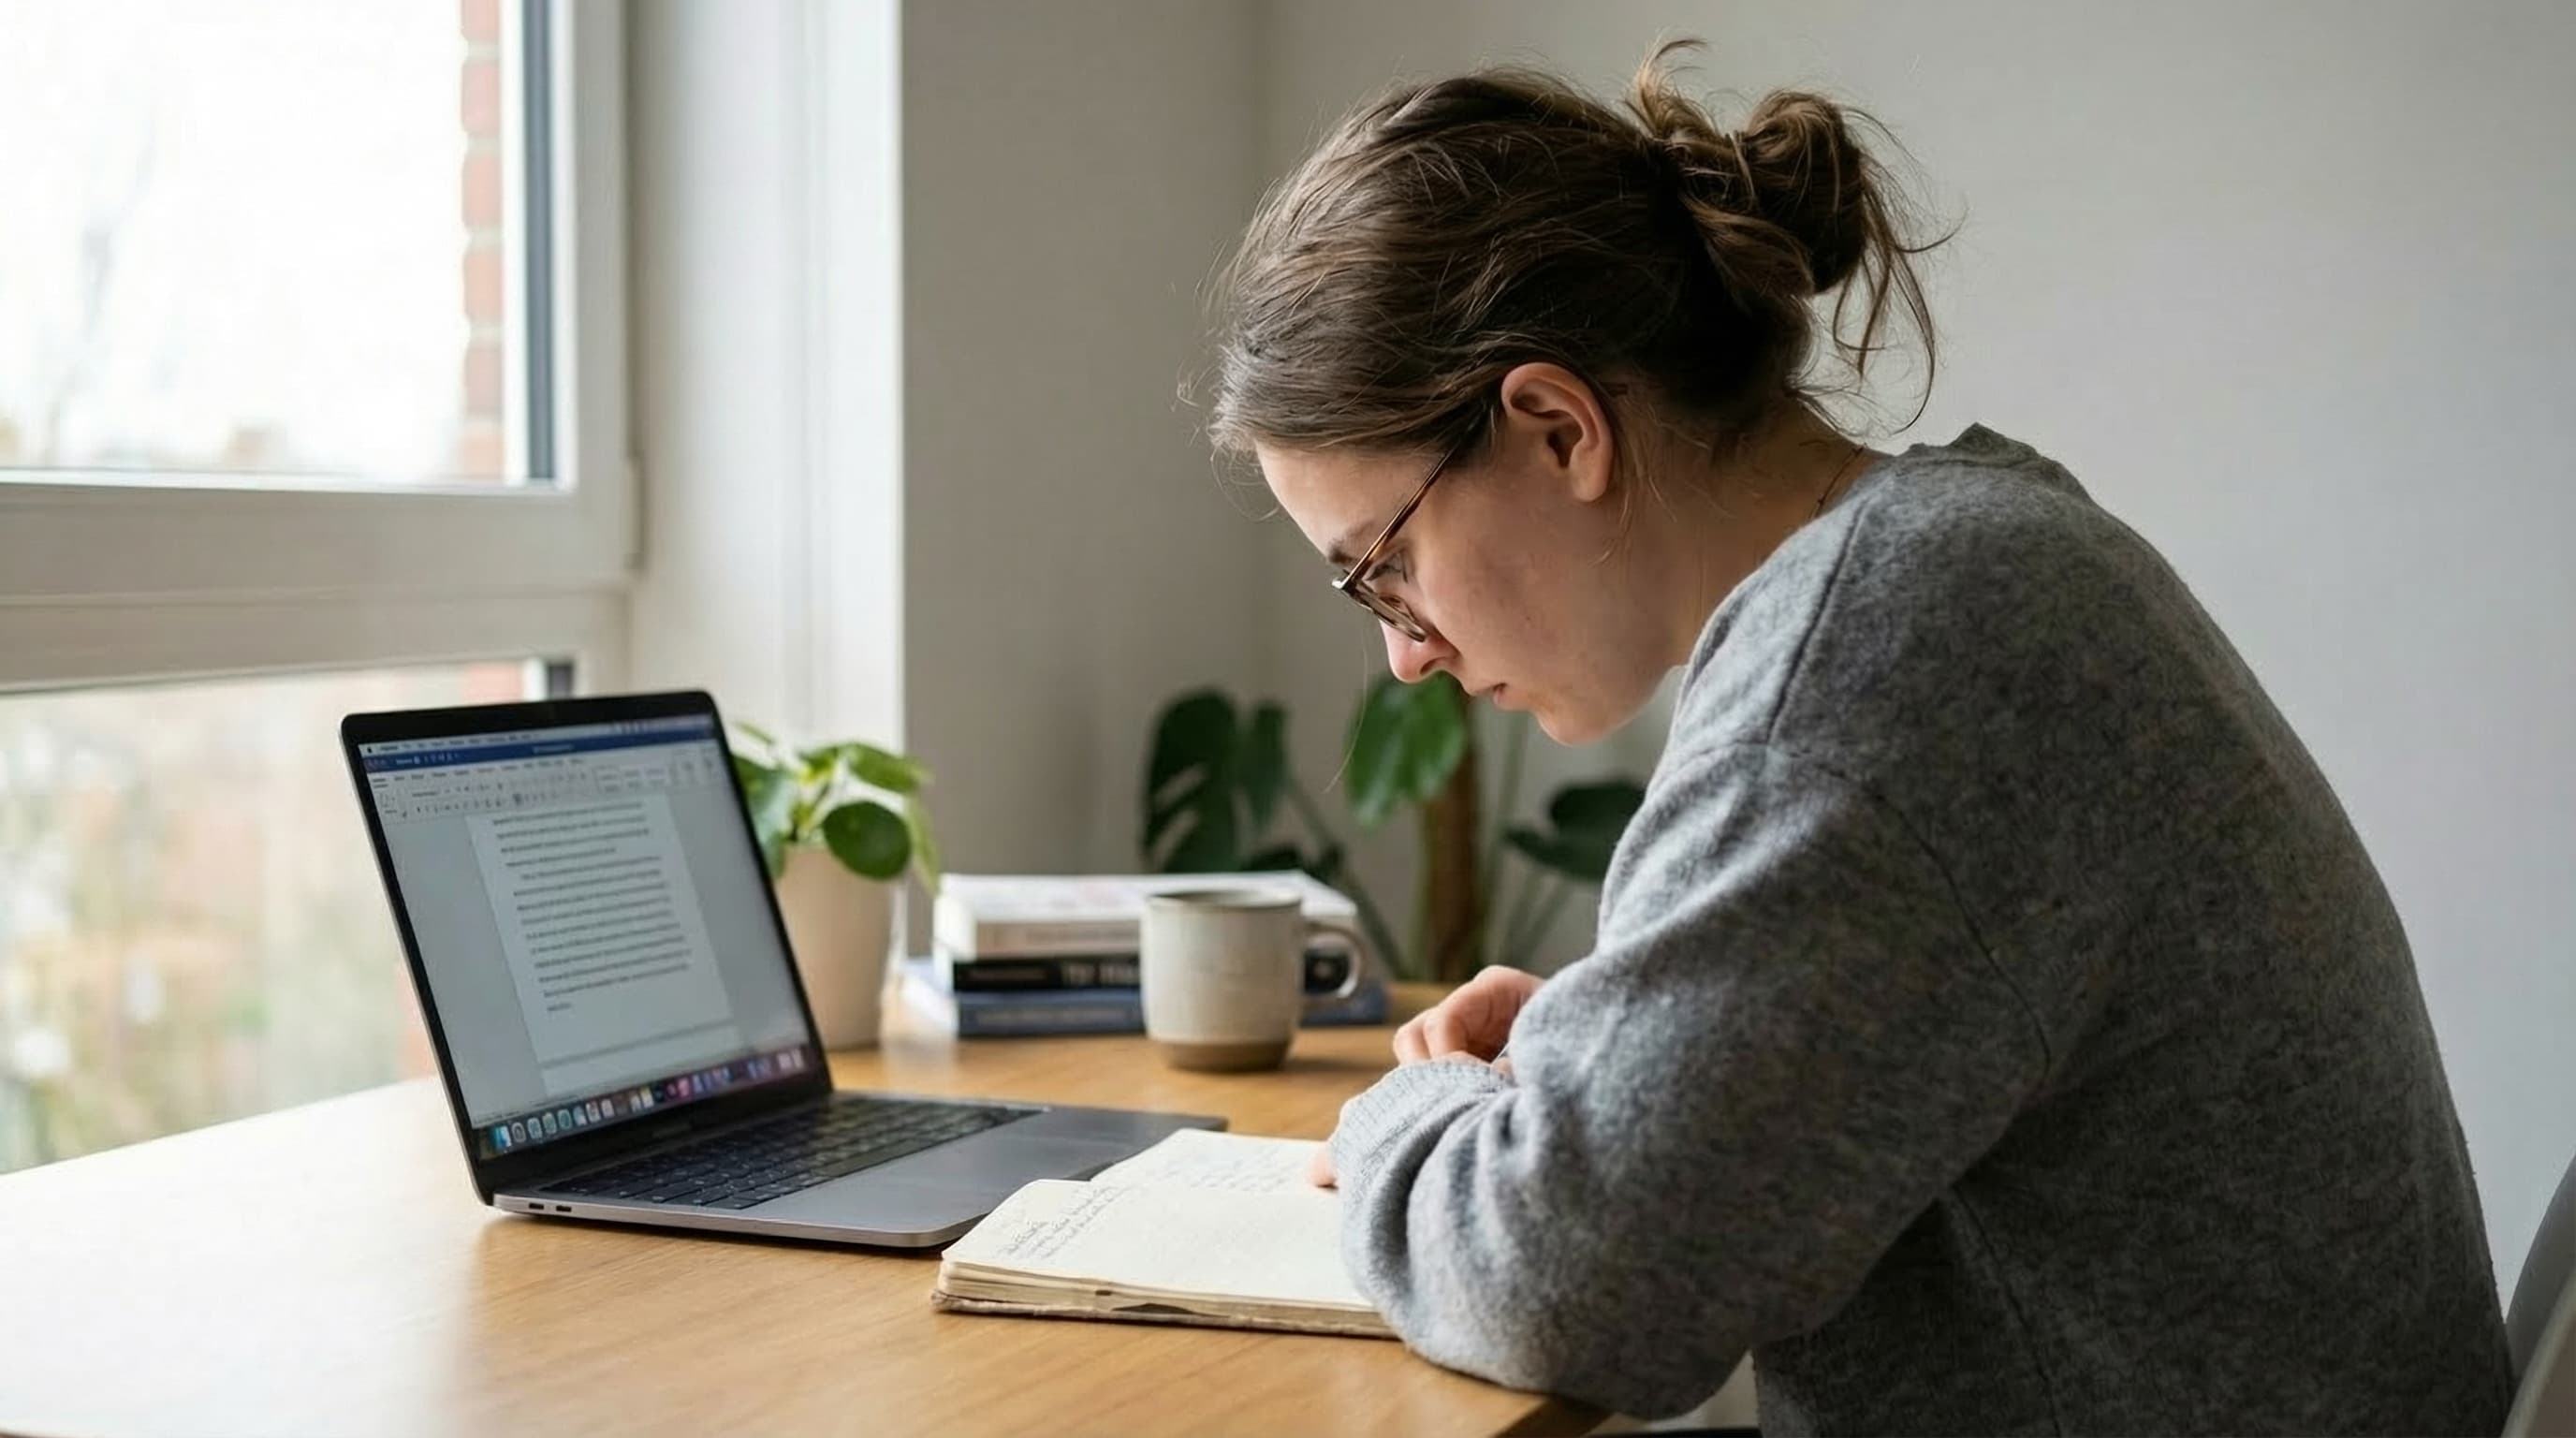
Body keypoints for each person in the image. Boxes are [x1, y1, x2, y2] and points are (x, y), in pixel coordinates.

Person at [1202, 39, 2514, 1436]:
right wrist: (1621, 1051)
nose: (1404, 652)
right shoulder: (1966, 552)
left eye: (1382, 568)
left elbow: (1575, 1291)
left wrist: (1405, 1123)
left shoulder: (1886, 652)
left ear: (1554, 427)